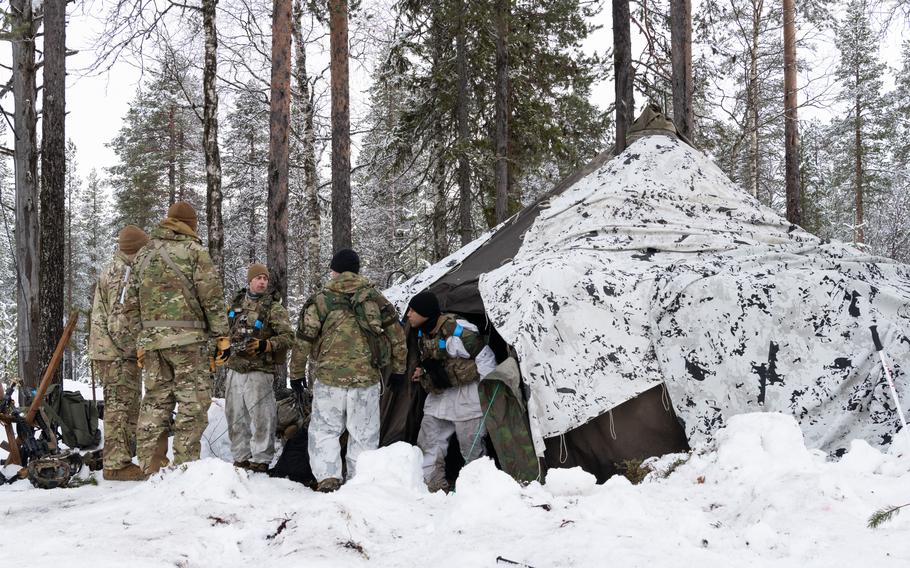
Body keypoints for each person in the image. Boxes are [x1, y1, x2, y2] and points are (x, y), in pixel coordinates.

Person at [112, 201, 229, 477]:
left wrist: (143, 339)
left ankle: (151, 469)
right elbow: (211, 298)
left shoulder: (142, 256)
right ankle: (185, 471)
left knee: (154, 404)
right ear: (191, 224)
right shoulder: (194, 252)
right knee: (192, 405)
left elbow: (128, 306)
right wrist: (222, 336)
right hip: (190, 343)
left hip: (154, 345)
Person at [289, 248, 407, 492]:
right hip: (366, 380)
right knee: (363, 434)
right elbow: (397, 336)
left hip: (329, 379)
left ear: (335, 270)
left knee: (325, 430)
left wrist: (297, 374)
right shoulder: (375, 298)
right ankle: (359, 483)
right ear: (357, 270)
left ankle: (328, 479)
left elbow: (303, 339)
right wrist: (399, 370)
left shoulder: (322, 299)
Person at [406, 290, 497, 492]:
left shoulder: (458, 331)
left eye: (413, 310)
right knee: (429, 440)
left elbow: (485, 357)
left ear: (425, 312)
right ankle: (433, 484)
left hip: (467, 396)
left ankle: (478, 489)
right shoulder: (422, 332)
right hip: (440, 395)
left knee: (471, 446)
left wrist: (486, 391)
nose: (408, 314)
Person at [89, 225, 149, 481]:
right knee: (120, 408)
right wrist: (134, 349)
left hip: (113, 352)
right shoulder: (123, 273)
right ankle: (115, 464)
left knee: (124, 406)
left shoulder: (119, 268)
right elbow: (119, 320)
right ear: (136, 249)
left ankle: (119, 457)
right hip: (117, 354)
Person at [223, 263, 294, 472]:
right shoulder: (235, 304)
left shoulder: (274, 308)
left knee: (263, 416)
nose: (262, 282)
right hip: (235, 368)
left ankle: (261, 459)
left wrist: (267, 345)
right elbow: (223, 329)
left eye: (265, 278)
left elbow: (289, 337)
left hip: (259, 371)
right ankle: (240, 456)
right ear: (250, 281)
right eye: (258, 278)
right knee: (234, 415)